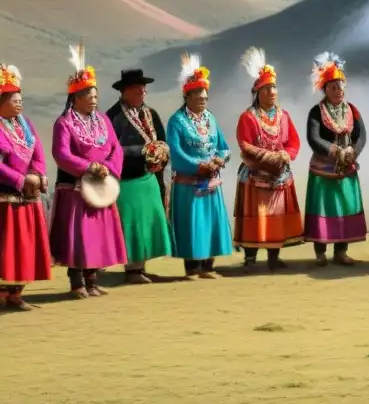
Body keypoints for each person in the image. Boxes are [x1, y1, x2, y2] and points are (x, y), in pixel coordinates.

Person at [49, 44, 128, 297]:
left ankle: (93, 280)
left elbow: (116, 148)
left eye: (96, 96)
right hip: (76, 188)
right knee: (78, 237)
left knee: (96, 236)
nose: (94, 100)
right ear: (77, 98)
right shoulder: (64, 123)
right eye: (89, 96)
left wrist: (108, 169)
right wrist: (88, 167)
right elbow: (61, 154)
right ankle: (77, 282)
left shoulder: (103, 120)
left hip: (101, 186)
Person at [234, 47, 303, 270]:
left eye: (274, 87)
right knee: (257, 218)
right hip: (256, 174)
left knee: (276, 218)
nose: (272, 92)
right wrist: (267, 157)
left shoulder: (284, 116)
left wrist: (285, 155)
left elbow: (294, 142)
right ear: (258, 93)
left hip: (279, 175)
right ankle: (250, 257)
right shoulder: (248, 117)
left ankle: (274, 256)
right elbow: (245, 146)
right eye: (267, 88)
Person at [166, 53, 233, 279]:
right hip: (189, 185)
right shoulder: (176, 121)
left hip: (211, 183)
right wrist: (200, 165)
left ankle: (208, 266)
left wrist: (219, 160)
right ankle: (192, 268)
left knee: (211, 224)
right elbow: (176, 154)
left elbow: (223, 146)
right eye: (198, 93)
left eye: (205, 94)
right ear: (188, 95)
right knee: (192, 225)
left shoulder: (211, 119)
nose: (203, 97)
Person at [106, 68, 172, 284]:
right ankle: (132, 269)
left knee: (146, 222)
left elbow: (162, 140)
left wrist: (161, 154)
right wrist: (143, 152)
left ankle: (141, 266)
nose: (142, 92)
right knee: (132, 223)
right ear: (124, 91)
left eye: (143, 89)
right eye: (137, 89)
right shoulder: (113, 117)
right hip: (128, 179)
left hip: (149, 177)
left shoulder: (150, 113)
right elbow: (112, 149)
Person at [305, 52, 368, 266]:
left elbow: (361, 135)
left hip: (346, 167)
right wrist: (333, 150)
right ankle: (321, 251)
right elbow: (313, 138)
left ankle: (341, 250)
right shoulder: (317, 112)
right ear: (325, 88)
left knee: (345, 207)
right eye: (334, 86)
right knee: (325, 208)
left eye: (341, 86)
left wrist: (352, 151)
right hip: (324, 168)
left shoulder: (352, 110)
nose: (339, 90)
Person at [0, 63, 52, 309]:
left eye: (21, 98)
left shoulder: (26, 124)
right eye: (13, 99)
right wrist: (21, 180)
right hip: (5, 197)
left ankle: (15, 294)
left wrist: (39, 176)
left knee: (23, 246)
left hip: (27, 197)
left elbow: (38, 153)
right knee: (6, 246)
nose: (19, 103)